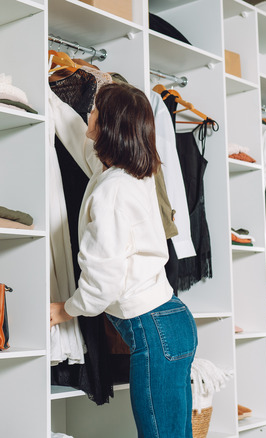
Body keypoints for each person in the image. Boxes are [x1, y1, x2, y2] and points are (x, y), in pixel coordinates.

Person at [50, 82, 197, 438]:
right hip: (173, 322)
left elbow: (104, 281)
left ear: (110, 125)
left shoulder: (110, 192)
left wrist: (65, 310)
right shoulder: (134, 174)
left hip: (154, 331)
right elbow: (84, 146)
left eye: (95, 111)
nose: (89, 114)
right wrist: (51, 101)